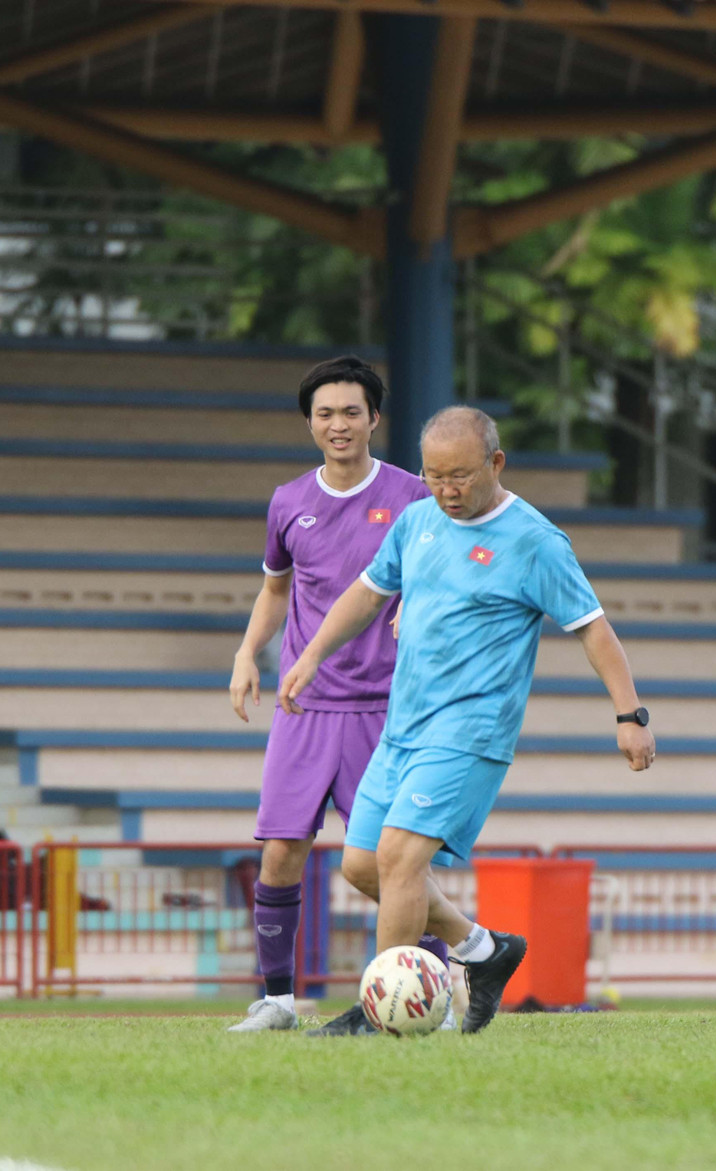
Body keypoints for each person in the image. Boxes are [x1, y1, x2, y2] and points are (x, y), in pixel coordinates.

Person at [278, 405, 655, 1035]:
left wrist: (629, 714)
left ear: (496, 464)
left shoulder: (534, 540)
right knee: (362, 865)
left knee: (399, 859)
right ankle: (484, 950)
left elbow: (594, 630)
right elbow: (370, 592)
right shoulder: (417, 519)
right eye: (433, 476)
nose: (447, 491)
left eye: (460, 476)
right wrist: (312, 655)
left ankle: (382, 1011)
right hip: (404, 726)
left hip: (470, 732)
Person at [227, 356, 447, 1034]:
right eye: (325, 413)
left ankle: (433, 989)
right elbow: (275, 588)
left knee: (392, 861)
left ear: (375, 418)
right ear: (310, 423)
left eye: (352, 411)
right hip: (305, 704)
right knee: (280, 849)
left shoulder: (414, 495)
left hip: (386, 707)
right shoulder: (289, 500)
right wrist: (244, 652)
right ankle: (278, 1001)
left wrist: (420, 600)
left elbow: (443, 571)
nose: (339, 424)